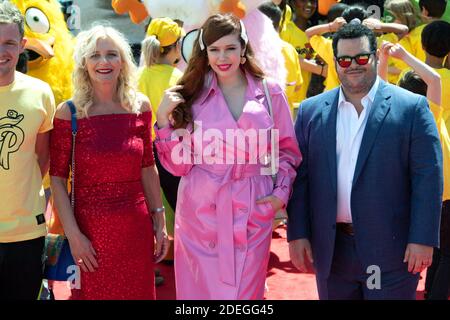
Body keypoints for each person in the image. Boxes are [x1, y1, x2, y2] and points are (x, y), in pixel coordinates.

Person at [287, 22, 443, 300]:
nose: (353, 65)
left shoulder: (411, 108)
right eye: (345, 59)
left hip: (393, 251)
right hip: (333, 251)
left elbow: (427, 178)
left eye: (361, 57)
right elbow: (301, 178)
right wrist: (297, 233)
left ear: (374, 56)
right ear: (335, 62)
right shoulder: (312, 111)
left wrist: (422, 238)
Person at [154, 13, 301, 299]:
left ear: (243, 50)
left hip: (253, 208)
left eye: (230, 48)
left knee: (245, 295)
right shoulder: (190, 95)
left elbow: (285, 151)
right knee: (200, 296)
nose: (223, 57)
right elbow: (179, 165)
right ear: (204, 53)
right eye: (215, 49)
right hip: (200, 212)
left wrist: (278, 195)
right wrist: (163, 122)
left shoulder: (270, 92)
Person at [49, 25, 168, 300]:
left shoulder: (140, 107)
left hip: (135, 231)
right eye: (95, 55)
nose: (104, 62)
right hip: (89, 237)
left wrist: (159, 220)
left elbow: (148, 167)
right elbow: (57, 178)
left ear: (123, 61)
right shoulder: (69, 113)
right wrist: (74, 236)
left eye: (112, 54)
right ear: (83, 63)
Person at [0, 1, 56, 300]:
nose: (1, 53)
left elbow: (43, 159)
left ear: (22, 45)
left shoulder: (40, 93)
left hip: (26, 233)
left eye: (9, 43)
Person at [138, 17, 184, 264]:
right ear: (176, 47)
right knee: (179, 202)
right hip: (172, 148)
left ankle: (152, 258)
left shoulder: (139, 75)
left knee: (149, 205)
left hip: (143, 149)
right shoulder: (178, 77)